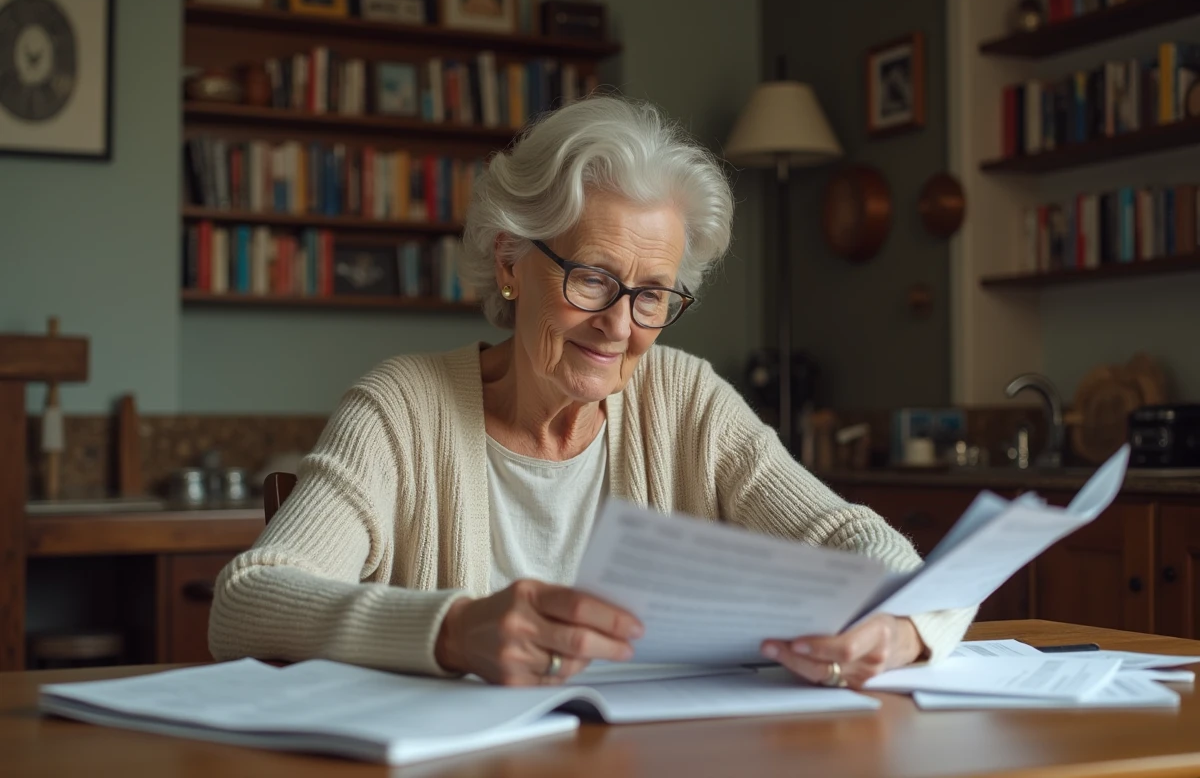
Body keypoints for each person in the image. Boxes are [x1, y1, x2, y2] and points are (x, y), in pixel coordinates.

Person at [208, 95, 976, 689]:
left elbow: (870, 549)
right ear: (511, 261)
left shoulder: (685, 402)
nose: (619, 325)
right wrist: (453, 629)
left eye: (652, 295)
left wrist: (901, 629)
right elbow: (247, 603)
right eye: (594, 278)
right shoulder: (404, 408)